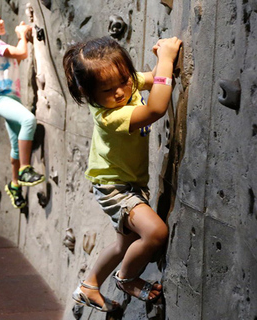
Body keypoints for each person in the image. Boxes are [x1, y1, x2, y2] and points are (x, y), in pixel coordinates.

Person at [63, 36, 182, 312]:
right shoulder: (109, 116)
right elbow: (155, 108)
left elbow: (151, 79)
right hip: (113, 188)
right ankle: (127, 279)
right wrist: (165, 59)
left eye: (124, 80)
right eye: (107, 89)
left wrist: (161, 63)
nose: (120, 92)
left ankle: (89, 285)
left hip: (126, 182)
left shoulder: (123, 83)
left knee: (123, 245)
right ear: (88, 93)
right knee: (155, 233)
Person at [0, 6, 45, 209]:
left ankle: (14, 185)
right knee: (28, 120)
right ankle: (25, 170)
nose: (1, 21)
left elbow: (18, 55)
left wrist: (23, 38)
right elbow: (21, 53)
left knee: (15, 145)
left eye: (0, 18)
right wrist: (22, 35)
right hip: (1, 99)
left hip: (11, 99)